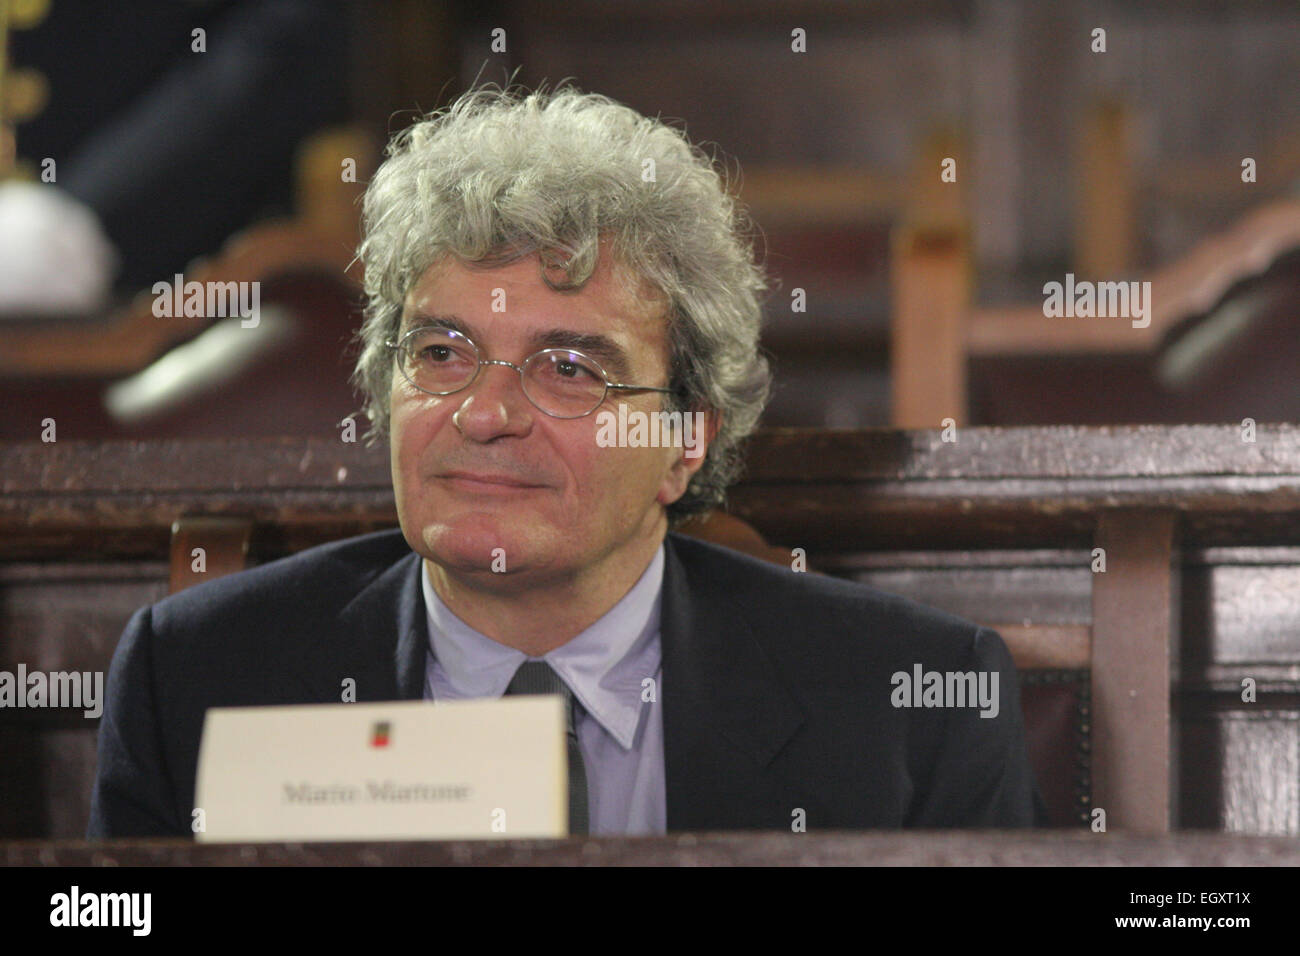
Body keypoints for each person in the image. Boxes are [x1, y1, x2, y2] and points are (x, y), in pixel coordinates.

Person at [88, 85, 1046, 838]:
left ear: (684, 440)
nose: (486, 412)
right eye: (441, 354)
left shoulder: (913, 705)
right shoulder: (200, 679)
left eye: (571, 368)